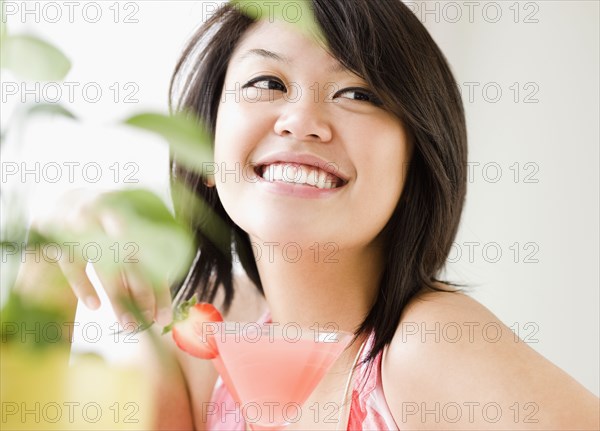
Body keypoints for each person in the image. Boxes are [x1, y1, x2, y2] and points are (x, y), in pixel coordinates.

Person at [29, 0, 598, 430]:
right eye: (267, 83)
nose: (301, 121)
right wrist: (46, 272)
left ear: (415, 164)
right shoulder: (203, 343)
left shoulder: (429, 346)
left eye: (359, 93)